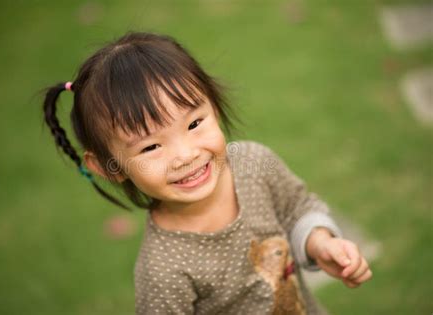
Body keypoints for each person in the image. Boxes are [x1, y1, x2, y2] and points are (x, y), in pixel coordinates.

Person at [42, 32, 372, 314]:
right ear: (108, 166)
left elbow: (297, 208)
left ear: (213, 106)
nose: (186, 155)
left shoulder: (253, 164)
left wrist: (320, 244)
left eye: (194, 123)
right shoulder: (164, 272)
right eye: (151, 147)